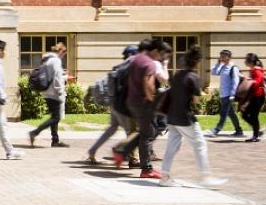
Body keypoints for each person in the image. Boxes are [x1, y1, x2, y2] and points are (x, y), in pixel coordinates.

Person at [159, 47, 227, 188]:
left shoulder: (177, 75)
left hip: (172, 116)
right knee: (200, 145)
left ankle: (164, 177)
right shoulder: (194, 77)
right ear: (196, 62)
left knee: (171, 147)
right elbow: (196, 100)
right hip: (185, 117)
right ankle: (206, 177)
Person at [113, 38, 164, 178]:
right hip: (143, 103)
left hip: (131, 102)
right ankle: (146, 169)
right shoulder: (149, 63)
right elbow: (149, 85)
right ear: (154, 51)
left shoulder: (135, 60)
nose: (160, 57)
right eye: (160, 54)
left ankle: (122, 152)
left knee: (146, 132)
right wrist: (153, 100)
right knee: (149, 133)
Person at [85, 44, 137, 165]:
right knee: (132, 132)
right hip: (121, 105)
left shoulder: (118, 67)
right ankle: (132, 158)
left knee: (112, 129)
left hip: (113, 103)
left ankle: (92, 151)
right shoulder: (129, 67)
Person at [28, 42, 68, 148]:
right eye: (64, 53)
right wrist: (61, 92)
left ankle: (55, 140)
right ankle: (35, 132)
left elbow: (51, 76)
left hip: (46, 92)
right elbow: (57, 78)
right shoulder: (56, 61)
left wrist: (64, 78)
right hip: (54, 93)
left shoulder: (47, 60)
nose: (64, 56)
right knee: (56, 118)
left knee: (54, 116)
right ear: (60, 51)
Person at [206, 49, 244, 138]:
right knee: (231, 114)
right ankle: (239, 131)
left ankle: (216, 130)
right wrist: (218, 63)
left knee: (223, 113)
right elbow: (213, 72)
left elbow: (235, 81)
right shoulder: (223, 67)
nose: (221, 58)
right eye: (221, 56)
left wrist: (232, 94)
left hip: (228, 95)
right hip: (223, 94)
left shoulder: (233, 68)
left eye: (223, 56)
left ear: (229, 57)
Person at [239, 52, 266, 142]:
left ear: (250, 61)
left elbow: (257, 83)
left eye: (246, 60)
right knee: (245, 114)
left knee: (253, 116)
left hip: (258, 97)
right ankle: (257, 132)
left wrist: (247, 80)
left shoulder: (258, 71)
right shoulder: (252, 70)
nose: (245, 61)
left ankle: (256, 134)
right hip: (253, 97)